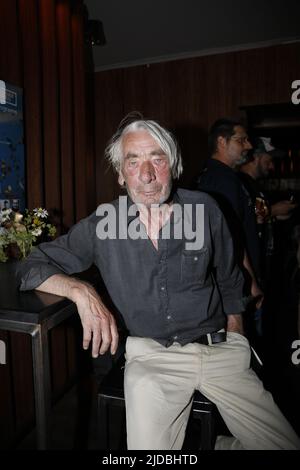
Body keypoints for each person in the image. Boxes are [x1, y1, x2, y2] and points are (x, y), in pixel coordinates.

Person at [17, 115, 300, 450]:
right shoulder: (103, 224)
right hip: (152, 358)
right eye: (133, 162)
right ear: (121, 174)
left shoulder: (206, 209)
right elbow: (30, 265)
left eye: (157, 158)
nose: (147, 175)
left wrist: (236, 338)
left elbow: (229, 278)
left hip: (220, 350)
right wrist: (81, 290)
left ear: (174, 165)